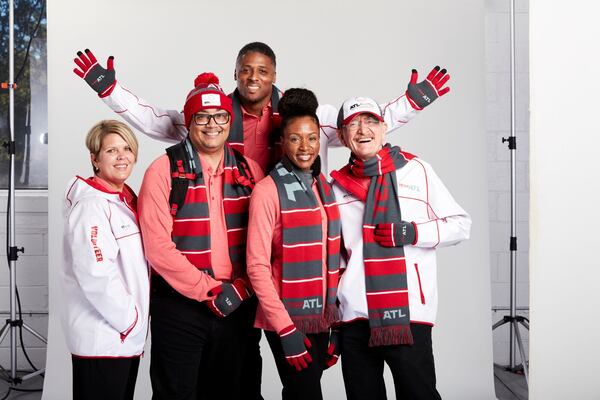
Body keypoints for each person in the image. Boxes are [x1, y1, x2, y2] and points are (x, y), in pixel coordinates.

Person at [72, 43, 450, 173]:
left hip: (284, 217)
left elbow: (360, 128)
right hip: (228, 219)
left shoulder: (301, 118)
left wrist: (410, 104)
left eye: (262, 71)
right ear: (235, 74)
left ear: (274, 75)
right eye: (246, 70)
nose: (253, 77)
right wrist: (111, 92)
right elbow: (157, 121)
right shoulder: (213, 118)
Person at [330, 97, 472, 399]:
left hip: (407, 312)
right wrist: (335, 322)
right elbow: (336, 257)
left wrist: (412, 232)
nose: (362, 129)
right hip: (356, 314)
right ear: (341, 137)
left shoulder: (416, 169)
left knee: (418, 394)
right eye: (353, 124)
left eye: (370, 121)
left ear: (384, 128)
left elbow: (461, 224)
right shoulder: (337, 187)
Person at [137, 73, 264, 400]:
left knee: (231, 393)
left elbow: (266, 241)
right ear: (189, 121)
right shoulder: (163, 170)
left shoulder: (251, 171)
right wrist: (209, 291)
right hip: (179, 306)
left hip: (238, 302)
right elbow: (157, 248)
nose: (212, 124)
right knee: (175, 393)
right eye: (202, 117)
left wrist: (241, 288)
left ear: (229, 120)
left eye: (220, 116)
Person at [246, 88, 342, 400]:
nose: (305, 147)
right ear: (282, 142)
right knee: (305, 393)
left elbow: (333, 258)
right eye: (295, 138)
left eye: (312, 138)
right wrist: (286, 330)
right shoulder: (267, 190)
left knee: (306, 392)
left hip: (320, 315)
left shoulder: (323, 186)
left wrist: (334, 324)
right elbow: (257, 266)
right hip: (285, 316)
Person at [62, 120, 149, 400]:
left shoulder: (122, 199)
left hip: (122, 340)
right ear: (95, 159)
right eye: (112, 150)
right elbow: (96, 274)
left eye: (127, 148)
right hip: (104, 338)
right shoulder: (92, 206)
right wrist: (130, 321)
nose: (122, 156)